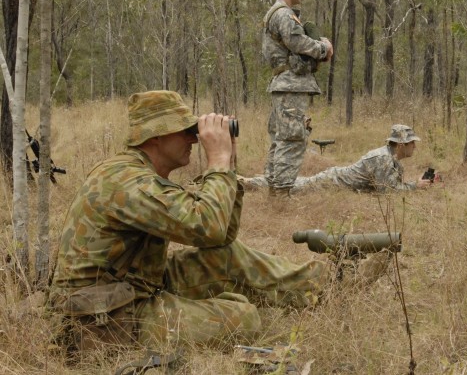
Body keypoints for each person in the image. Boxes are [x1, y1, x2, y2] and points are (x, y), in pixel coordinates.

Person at [47, 90, 328, 355]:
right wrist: (216, 159)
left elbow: (220, 237)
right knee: (244, 318)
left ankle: (321, 288)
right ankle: (223, 306)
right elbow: (206, 226)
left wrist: (226, 163)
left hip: (133, 287)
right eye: (185, 131)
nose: (193, 140)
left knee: (226, 256)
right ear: (154, 136)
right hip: (106, 318)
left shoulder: (139, 174)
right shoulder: (125, 181)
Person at [262, 0, 334, 198]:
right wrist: (324, 48)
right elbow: (297, 43)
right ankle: (281, 194)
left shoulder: (281, 13)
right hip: (290, 84)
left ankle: (275, 190)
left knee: (281, 139)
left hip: (285, 84)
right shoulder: (283, 14)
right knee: (292, 138)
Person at [244, 124, 440, 193]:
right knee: (290, 187)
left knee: (294, 184)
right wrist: (416, 187)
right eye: (411, 142)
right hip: (332, 183)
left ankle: (256, 180)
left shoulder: (390, 159)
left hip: (336, 181)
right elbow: (388, 193)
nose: (415, 146)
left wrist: (419, 184)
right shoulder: (383, 159)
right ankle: (248, 183)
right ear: (400, 145)